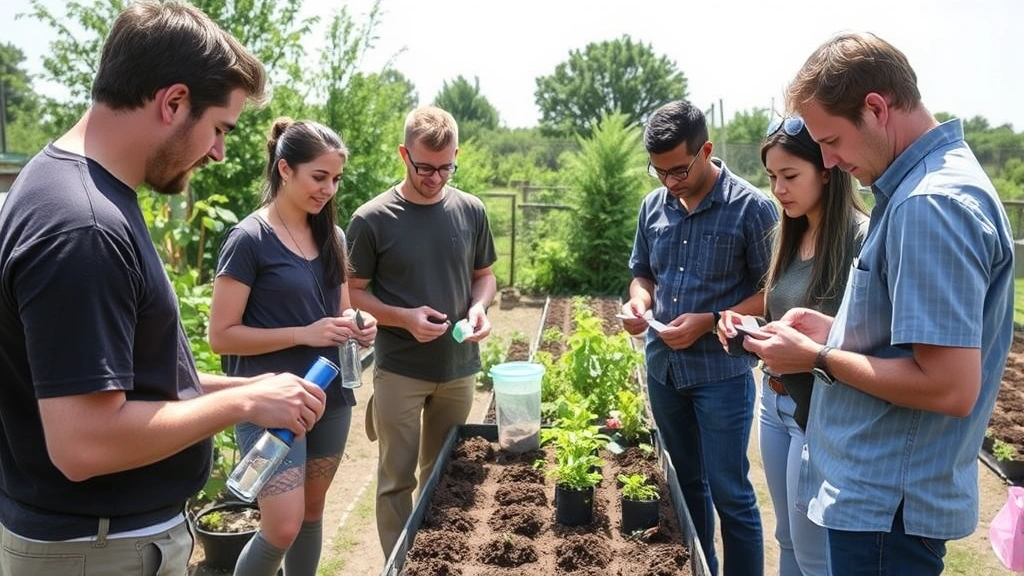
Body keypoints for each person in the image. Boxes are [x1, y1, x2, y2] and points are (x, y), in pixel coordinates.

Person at [0, 2, 330, 575]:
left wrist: (253, 384)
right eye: (220, 128)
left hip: (103, 543)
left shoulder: (68, 187)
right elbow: (84, 445)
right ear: (173, 102)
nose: (220, 152)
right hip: (98, 551)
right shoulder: (85, 227)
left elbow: (126, 383)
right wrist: (244, 401)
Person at [746, 32, 1015, 576]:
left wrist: (817, 359)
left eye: (831, 140)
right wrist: (833, 332)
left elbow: (949, 386)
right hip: (878, 503)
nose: (828, 159)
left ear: (876, 108)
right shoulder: (918, 191)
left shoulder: (930, 206)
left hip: (885, 510)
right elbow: (904, 336)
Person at [208, 119, 377, 576]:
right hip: (268, 402)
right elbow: (220, 334)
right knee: (281, 525)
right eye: (318, 177)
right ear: (285, 169)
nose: (328, 189)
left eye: (336, 179)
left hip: (330, 397)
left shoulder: (333, 238)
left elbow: (341, 314)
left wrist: (358, 328)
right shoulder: (249, 239)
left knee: (311, 513)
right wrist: (303, 333)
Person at [621, 99, 778, 576]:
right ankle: (703, 567)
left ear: (705, 150)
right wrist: (639, 304)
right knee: (685, 485)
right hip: (664, 369)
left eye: (678, 169)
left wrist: (710, 319)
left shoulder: (753, 208)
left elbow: (774, 295)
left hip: (721, 375)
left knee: (731, 492)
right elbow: (642, 274)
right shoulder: (654, 205)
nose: (670, 181)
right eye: (659, 171)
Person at [718, 116, 867, 576]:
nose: (778, 190)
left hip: (818, 413)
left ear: (827, 169)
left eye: (790, 176)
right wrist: (749, 328)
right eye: (771, 178)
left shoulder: (860, 237)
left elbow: (862, 338)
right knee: (786, 540)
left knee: (813, 554)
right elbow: (784, 314)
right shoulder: (792, 232)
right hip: (774, 404)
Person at [346, 105, 498, 556]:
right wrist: (405, 318)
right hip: (400, 370)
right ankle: (399, 561)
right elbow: (353, 292)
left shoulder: (471, 209)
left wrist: (478, 308)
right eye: (424, 167)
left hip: (458, 367)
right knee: (397, 477)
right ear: (403, 154)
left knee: (443, 471)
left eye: (446, 167)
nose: (435, 177)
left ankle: (434, 559)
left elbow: (484, 275)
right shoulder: (372, 219)